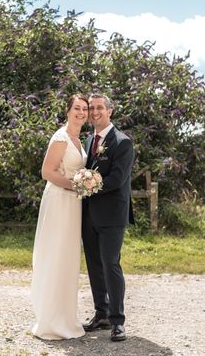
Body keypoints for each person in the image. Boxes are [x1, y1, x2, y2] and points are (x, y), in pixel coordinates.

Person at [31, 94, 89, 340]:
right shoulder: (60, 137)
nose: (81, 113)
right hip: (59, 200)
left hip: (73, 204)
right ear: (67, 111)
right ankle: (51, 322)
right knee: (55, 254)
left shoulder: (78, 139)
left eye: (84, 109)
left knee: (67, 257)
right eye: (77, 108)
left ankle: (65, 317)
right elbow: (47, 172)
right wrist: (75, 186)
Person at [81, 92, 135, 342]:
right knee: (94, 264)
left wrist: (88, 184)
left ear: (110, 111)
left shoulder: (122, 142)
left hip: (112, 215)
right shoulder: (90, 138)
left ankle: (117, 321)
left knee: (110, 264)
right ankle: (101, 313)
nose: (95, 112)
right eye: (92, 108)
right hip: (88, 214)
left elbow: (117, 179)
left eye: (100, 107)